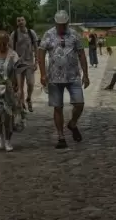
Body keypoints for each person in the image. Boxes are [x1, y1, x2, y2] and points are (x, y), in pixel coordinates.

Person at [37, 10, 90, 149]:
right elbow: (41, 53)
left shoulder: (74, 34)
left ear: (67, 23)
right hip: (54, 77)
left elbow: (81, 54)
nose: (61, 27)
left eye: (64, 24)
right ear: (55, 23)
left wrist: (86, 74)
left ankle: (72, 123)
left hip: (73, 75)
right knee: (58, 107)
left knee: (79, 104)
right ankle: (61, 137)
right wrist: (42, 74)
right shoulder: (48, 34)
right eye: (59, 24)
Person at [11, 15, 39, 111]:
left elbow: (36, 47)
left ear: (25, 21)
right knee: (20, 85)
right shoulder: (14, 34)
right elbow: (11, 49)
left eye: (22, 20)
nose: (21, 22)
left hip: (29, 62)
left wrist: (36, 61)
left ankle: (29, 98)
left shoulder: (31, 33)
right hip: (18, 63)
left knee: (30, 83)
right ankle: (22, 101)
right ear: (17, 23)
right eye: (19, 21)